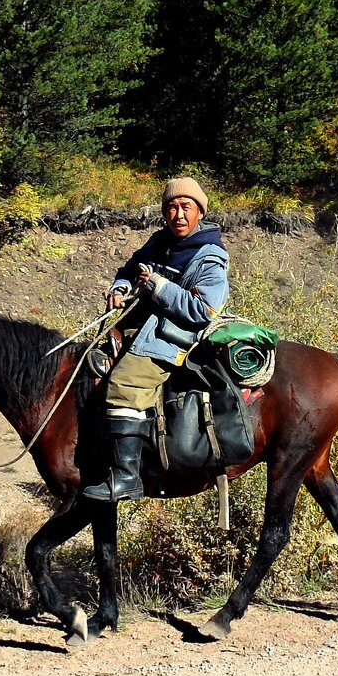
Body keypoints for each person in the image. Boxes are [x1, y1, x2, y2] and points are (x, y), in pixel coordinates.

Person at [83, 177, 230, 502]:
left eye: (185, 207)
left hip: (172, 335)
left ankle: (126, 478)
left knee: (125, 384)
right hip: (137, 326)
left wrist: (159, 286)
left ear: (199, 212)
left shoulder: (210, 256)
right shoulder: (159, 241)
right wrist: (119, 288)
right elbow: (128, 270)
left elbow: (204, 309)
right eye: (172, 207)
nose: (178, 214)